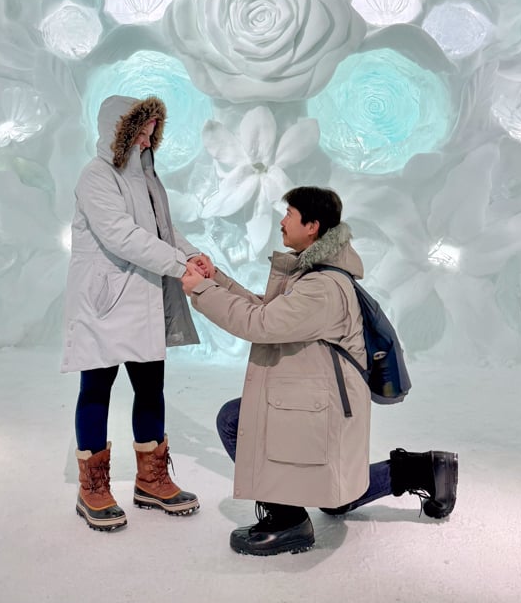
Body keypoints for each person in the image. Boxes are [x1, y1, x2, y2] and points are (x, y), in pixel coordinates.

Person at [182, 185, 458, 556]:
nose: (282, 221)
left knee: (235, 420)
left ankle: (287, 520)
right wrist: (215, 280)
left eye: (289, 215)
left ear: (312, 226)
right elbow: (269, 311)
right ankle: (423, 470)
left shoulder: (322, 288)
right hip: (319, 405)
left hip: (321, 410)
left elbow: (260, 324)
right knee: (334, 497)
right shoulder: (315, 276)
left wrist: (201, 292)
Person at [62, 95, 207, 531]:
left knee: (150, 386)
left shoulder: (145, 176)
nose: (147, 141)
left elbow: (162, 229)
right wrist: (179, 265)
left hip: (142, 296)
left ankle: (151, 479)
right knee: (97, 387)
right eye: (140, 132)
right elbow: (122, 235)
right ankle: (92, 487)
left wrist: (194, 254)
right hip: (105, 301)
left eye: (151, 133)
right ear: (119, 130)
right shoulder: (96, 176)